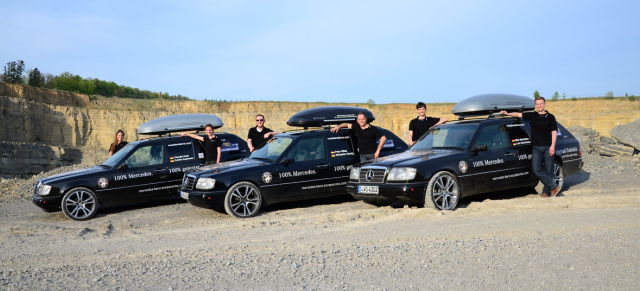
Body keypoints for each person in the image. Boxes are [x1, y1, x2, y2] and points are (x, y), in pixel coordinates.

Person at [500, 96, 560, 198]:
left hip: (547, 147)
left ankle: (546, 192)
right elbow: (518, 114)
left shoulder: (551, 117)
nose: (539, 105)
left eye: (541, 103)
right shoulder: (532, 115)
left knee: (548, 171)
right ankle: (554, 186)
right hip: (536, 147)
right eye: (537, 104)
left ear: (545, 104)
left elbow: (554, 132)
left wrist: (553, 146)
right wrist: (507, 113)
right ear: (535, 105)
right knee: (536, 169)